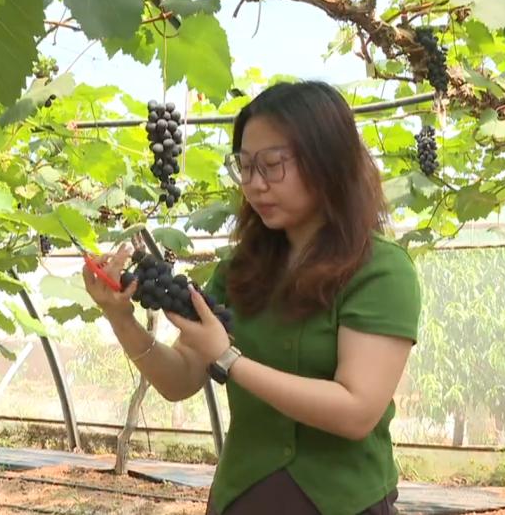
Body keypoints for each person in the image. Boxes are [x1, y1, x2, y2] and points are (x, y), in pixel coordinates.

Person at [82, 80, 421, 515]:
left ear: (327, 162)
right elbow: (179, 380)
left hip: (343, 503)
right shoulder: (240, 269)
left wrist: (229, 360)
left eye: (272, 165)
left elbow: (356, 412)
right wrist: (120, 318)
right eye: (244, 167)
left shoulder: (381, 271)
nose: (255, 184)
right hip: (243, 498)